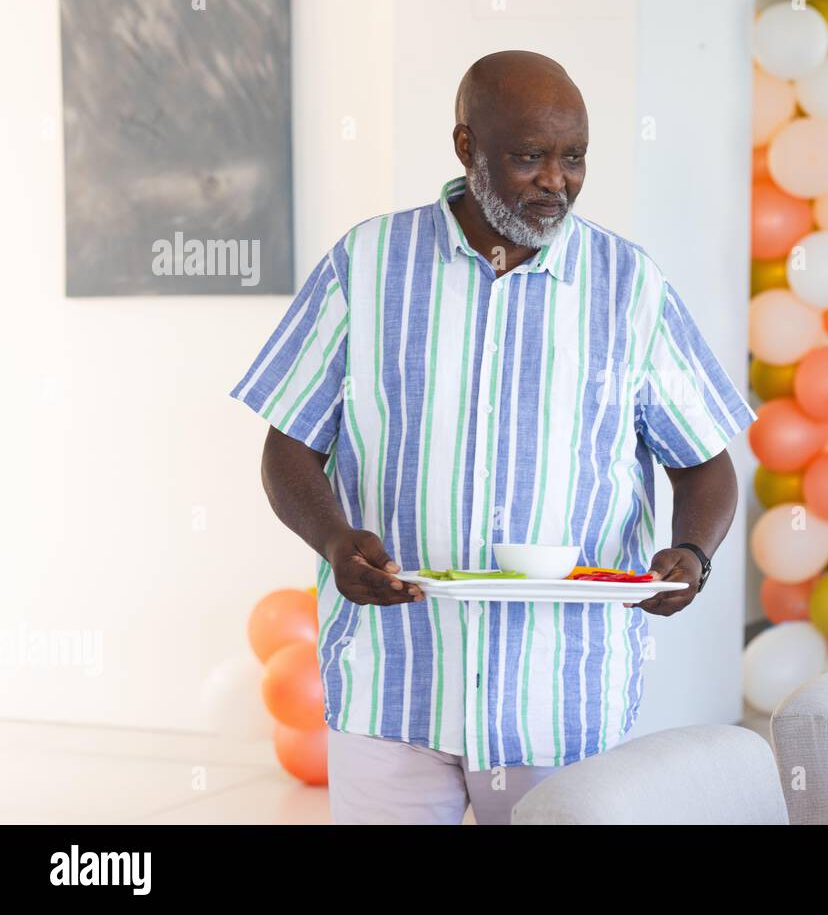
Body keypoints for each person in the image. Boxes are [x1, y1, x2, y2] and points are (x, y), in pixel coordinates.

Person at [230, 51, 755, 822]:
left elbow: (706, 464)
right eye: (528, 156)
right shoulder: (366, 264)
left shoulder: (629, 283)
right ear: (466, 147)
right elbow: (288, 448)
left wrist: (694, 553)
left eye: (573, 157)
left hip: (560, 697)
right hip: (392, 683)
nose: (556, 180)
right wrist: (336, 541)